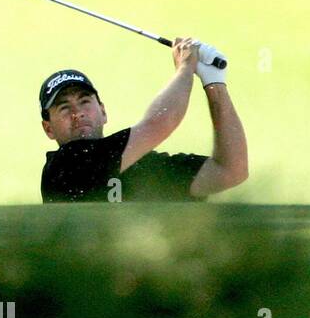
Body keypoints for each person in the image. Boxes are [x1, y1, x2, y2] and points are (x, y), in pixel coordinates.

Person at [39, 38, 248, 202]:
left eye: (85, 101)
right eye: (64, 108)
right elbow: (161, 122)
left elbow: (230, 171)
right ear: (49, 128)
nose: (78, 113)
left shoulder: (140, 166)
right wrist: (185, 67)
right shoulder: (64, 166)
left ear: (103, 112)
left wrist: (215, 83)